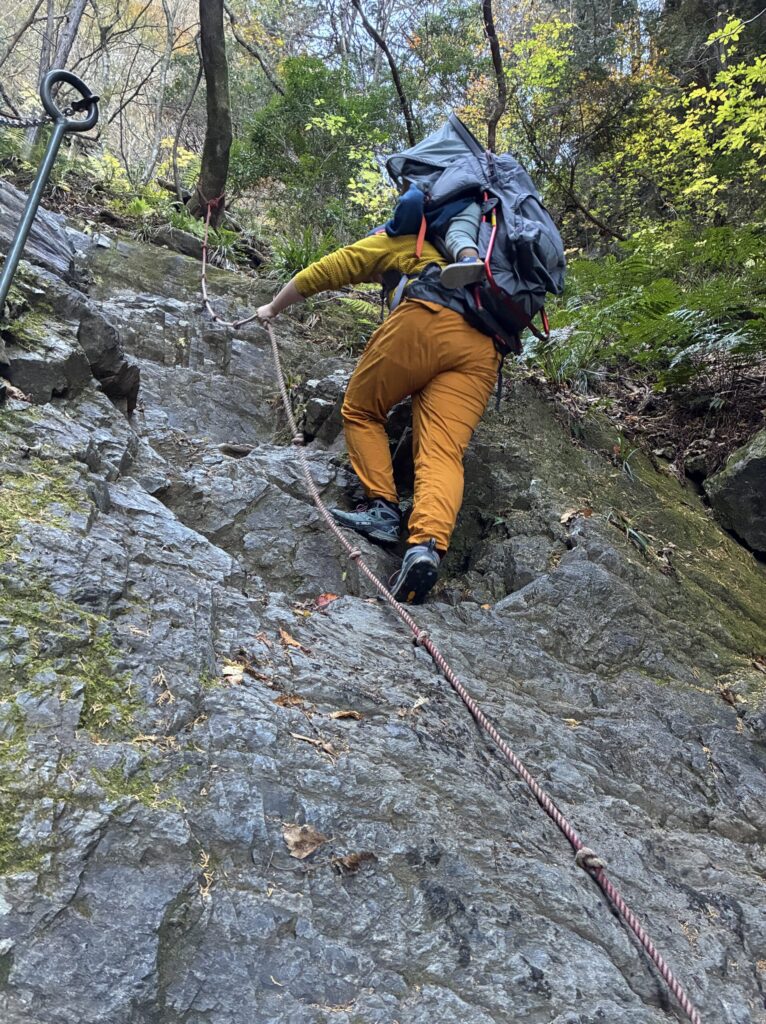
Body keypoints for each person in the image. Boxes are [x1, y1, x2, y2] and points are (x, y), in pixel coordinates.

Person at [256, 230, 499, 603]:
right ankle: (424, 549)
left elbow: (329, 269)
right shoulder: (484, 257)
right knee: (442, 451)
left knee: (362, 408)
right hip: (484, 348)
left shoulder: (401, 238)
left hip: (428, 317)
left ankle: (383, 510)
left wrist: (273, 308)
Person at [375, 181, 485, 290]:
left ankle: (471, 261)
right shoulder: (438, 182)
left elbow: (411, 200)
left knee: (457, 236)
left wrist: (395, 229)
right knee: (457, 236)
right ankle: (468, 265)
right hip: (466, 206)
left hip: (460, 208)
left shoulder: (420, 184)